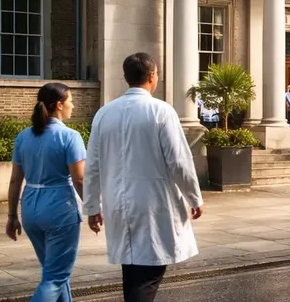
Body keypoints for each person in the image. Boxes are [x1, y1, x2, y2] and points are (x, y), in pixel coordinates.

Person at [83, 53, 203, 302]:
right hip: (153, 205)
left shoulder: (104, 114)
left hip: (117, 203)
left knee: (133, 271)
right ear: (152, 76)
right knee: (147, 275)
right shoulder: (161, 111)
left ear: (126, 77)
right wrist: (195, 198)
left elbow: (92, 165)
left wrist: (93, 207)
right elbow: (179, 161)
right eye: (157, 73)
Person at [5, 83, 85, 302]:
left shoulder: (23, 137)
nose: (73, 105)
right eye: (70, 100)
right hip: (60, 208)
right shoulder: (70, 136)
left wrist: (12, 216)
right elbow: (79, 179)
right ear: (59, 105)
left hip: (30, 208)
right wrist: (95, 207)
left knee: (54, 272)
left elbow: (15, 180)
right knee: (56, 277)